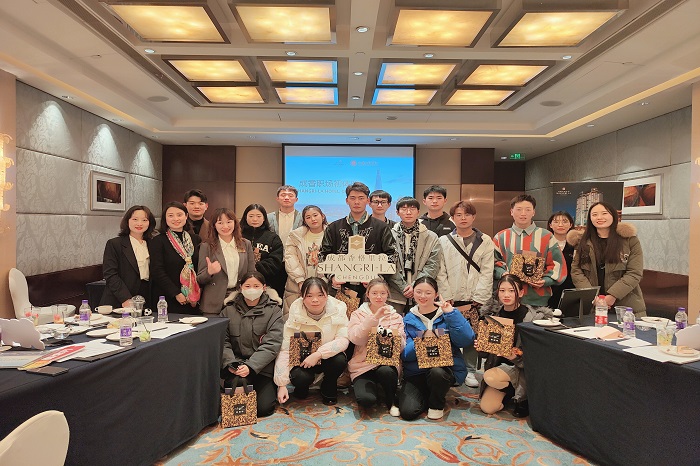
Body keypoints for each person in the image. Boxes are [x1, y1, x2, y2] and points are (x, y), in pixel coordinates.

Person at [479, 274, 556, 418]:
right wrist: (481, 346)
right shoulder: (493, 315)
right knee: (487, 407)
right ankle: (510, 391)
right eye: (502, 291)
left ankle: (522, 396)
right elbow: (486, 353)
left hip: (521, 369)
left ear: (521, 292)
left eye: (511, 290)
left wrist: (514, 356)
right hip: (499, 366)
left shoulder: (532, 318)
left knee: (490, 377)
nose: (506, 295)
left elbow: (538, 356)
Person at [436, 200, 494, 389]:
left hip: (474, 297)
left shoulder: (485, 240)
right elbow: (440, 270)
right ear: (453, 218)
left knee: (471, 336)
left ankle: (470, 371)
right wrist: (446, 294)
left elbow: (487, 270)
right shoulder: (444, 241)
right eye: (458, 215)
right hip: (451, 298)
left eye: (467, 214)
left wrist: (480, 297)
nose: (463, 218)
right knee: (448, 333)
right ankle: (451, 368)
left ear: (473, 217)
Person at [399, 277, 474, 421]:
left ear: (436, 294)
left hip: (444, 369)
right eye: (418, 292)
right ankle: (430, 393)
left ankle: (436, 405)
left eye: (428, 292)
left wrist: (451, 313)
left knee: (437, 371)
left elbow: (466, 340)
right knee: (408, 412)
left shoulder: (448, 314)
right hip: (417, 372)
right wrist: (422, 341)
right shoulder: (407, 319)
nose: (423, 296)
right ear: (413, 293)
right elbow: (406, 355)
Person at [319, 181, 398, 302]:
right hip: (340, 289)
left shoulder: (381, 227)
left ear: (367, 201)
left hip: (372, 290)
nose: (356, 202)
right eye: (353, 198)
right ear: (347, 201)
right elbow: (323, 254)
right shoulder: (333, 227)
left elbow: (392, 255)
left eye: (361, 198)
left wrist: (377, 278)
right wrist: (332, 276)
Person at [274, 277, 349, 405]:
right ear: (302, 297)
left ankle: (328, 385)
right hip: (303, 360)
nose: (315, 300)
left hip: (327, 357)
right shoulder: (295, 312)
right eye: (309, 296)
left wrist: (318, 354)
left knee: (339, 360)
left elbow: (343, 340)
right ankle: (302, 386)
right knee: (301, 378)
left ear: (327, 295)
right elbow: (285, 349)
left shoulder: (338, 308)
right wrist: (281, 385)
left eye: (320, 295)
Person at [220, 272, 284, 417]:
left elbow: (272, 343)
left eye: (256, 286)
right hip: (237, 366)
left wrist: (251, 366)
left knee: (263, 409)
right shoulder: (228, 311)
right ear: (240, 288)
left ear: (264, 288)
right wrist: (231, 364)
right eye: (247, 286)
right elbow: (223, 342)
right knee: (235, 407)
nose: (252, 289)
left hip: (263, 368)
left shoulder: (274, 311)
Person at [568, 202, 646, 316]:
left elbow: (634, 273)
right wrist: (592, 296)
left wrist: (613, 296)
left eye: (604, 213)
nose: (599, 217)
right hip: (593, 306)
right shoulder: (583, 241)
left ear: (613, 216)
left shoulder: (629, 240)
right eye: (594, 214)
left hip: (627, 306)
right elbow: (576, 271)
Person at [493, 194, 567, 306]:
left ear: (533, 212)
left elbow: (558, 265)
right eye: (519, 209)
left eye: (528, 210)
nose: (523, 213)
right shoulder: (500, 237)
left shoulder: (546, 236)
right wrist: (503, 273)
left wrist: (545, 280)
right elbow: (493, 263)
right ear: (511, 212)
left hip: (538, 300)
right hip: (506, 299)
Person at [347, 278, 405, 416]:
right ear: (368, 294)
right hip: (363, 365)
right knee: (366, 400)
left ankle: (391, 399)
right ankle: (375, 388)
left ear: (387, 294)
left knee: (386, 371)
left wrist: (393, 337)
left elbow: (402, 346)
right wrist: (373, 319)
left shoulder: (395, 316)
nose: (379, 297)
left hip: (386, 363)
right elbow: (355, 338)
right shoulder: (357, 314)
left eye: (382, 293)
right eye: (374, 293)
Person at [197, 208, 256, 317]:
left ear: (235, 223)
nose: (225, 226)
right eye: (220, 223)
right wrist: (209, 272)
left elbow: (251, 273)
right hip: (213, 302)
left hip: (239, 299)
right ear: (214, 225)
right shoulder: (207, 246)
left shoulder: (245, 244)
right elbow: (200, 279)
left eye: (229, 222)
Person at [388, 196, 441, 314]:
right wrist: (403, 287)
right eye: (404, 209)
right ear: (397, 212)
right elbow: (387, 264)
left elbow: (433, 265)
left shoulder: (431, 237)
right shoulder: (389, 235)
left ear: (418, 212)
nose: (408, 212)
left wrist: (416, 286)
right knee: (395, 324)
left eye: (412, 209)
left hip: (422, 295)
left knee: (421, 325)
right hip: (395, 294)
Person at [150, 201, 201, 314]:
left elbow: (198, 267)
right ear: (165, 218)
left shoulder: (195, 239)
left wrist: (196, 292)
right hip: (168, 298)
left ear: (186, 216)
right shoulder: (158, 241)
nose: (176, 219)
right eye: (171, 215)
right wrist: (176, 293)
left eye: (179, 215)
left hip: (193, 298)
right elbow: (157, 271)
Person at [101, 205, 156, 309]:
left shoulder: (153, 243)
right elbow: (110, 274)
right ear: (127, 221)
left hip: (147, 296)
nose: (139, 223)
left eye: (144, 220)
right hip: (120, 298)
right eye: (135, 219)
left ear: (150, 223)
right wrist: (125, 298)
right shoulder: (115, 244)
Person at [283, 205, 328, 316]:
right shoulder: (295, 236)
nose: (313, 219)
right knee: (296, 318)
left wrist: (324, 280)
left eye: (315, 215)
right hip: (297, 284)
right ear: (304, 220)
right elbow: (290, 257)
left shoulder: (332, 234)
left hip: (325, 283)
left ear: (322, 216)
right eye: (308, 217)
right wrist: (300, 280)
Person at [240, 204, 286, 297]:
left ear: (264, 218)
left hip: (267, 284)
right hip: (240, 283)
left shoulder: (273, 238)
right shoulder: (238, 236)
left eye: (258, 216)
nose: (255, 219)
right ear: (245, 217)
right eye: (251, 216)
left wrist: (254, 268)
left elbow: (275, 262)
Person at [547, 211, 575, 309]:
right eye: (556, 221)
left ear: (570, 225)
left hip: (570, 290)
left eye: (564, 221)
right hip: (549, 288)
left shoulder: (577, 245)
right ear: (550, 225)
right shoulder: (545, 244)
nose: (560, 225)